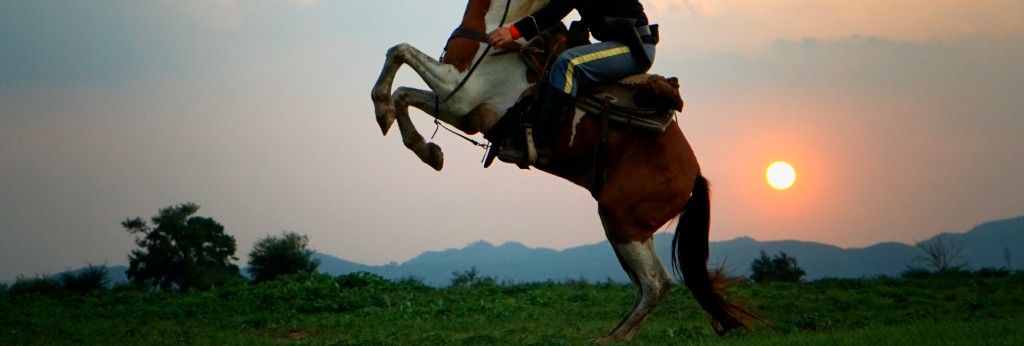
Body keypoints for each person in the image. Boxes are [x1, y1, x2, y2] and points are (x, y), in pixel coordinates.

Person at [488, 0, 658, 164]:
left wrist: (514, 32)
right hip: (621, 44)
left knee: (568, 63)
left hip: (634, 48)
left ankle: (541, 143)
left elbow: (557, 8)